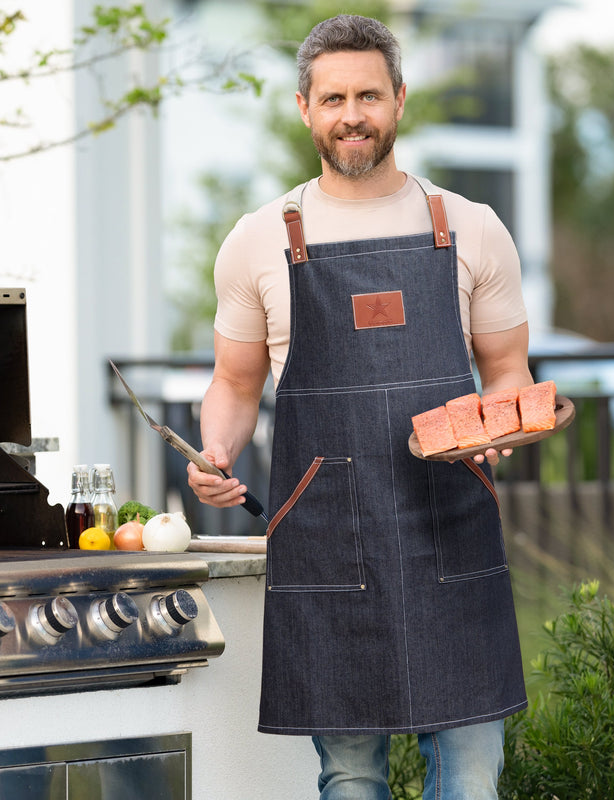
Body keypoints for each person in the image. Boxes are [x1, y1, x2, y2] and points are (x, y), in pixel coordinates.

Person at [188, 14, 533, 800]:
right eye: (335, 97)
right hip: (326, 537)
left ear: (400, 100)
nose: (353, 114)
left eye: (369, 95)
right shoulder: (257, 241)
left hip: (451, 524)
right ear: (304, 107)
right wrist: (218, 454)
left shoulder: (471, 228)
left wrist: (503, 423)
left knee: (475, 773)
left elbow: (509, 371)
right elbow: (236, 384)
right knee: (348, 775)